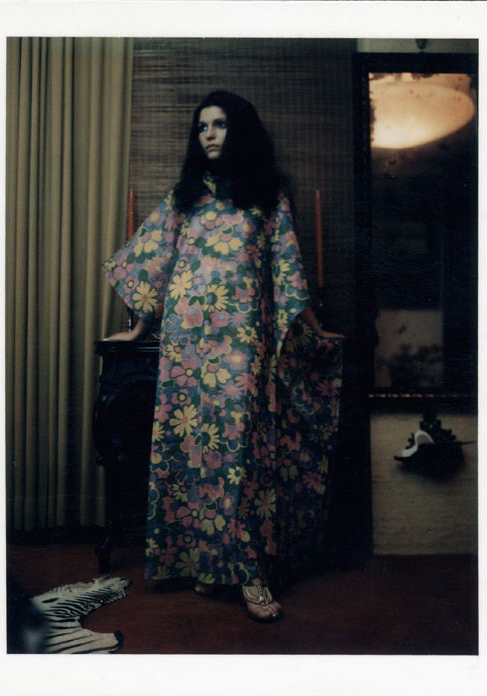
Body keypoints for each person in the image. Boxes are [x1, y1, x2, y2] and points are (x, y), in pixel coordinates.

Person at [102, 90, 344, 622]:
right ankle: (208, 565)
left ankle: (250, 570)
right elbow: (155, 262)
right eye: (202, 126)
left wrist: (314, 328)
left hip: (242, 341)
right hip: (185, 341)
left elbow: (287, 267)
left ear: (241, 130)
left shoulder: (268, 194)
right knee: (191, 447)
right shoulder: (185, 196)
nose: (209, 134)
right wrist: (139, 328)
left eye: (220, 124)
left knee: (237, 452)